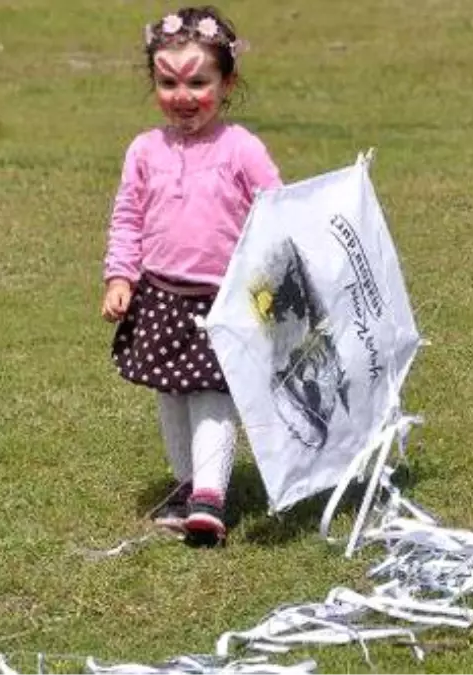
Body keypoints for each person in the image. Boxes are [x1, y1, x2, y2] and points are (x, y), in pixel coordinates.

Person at [100, 5, 283, 546]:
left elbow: (276, 212)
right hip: (159, 295)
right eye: (168, 82)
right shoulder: (145, 150)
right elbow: (128, 217)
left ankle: (210, 499)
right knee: (172, 393)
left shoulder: (240, 149)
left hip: (222, 299)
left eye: (199, 82)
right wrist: (120, 278)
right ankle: (186, 486)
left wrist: (269, 288)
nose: (184, 97)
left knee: (211, 394)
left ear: (227, 83)